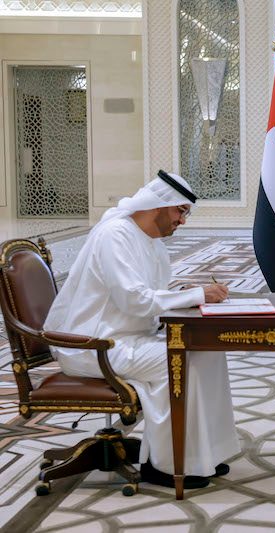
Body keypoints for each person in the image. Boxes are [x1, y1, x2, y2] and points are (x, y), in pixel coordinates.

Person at [44, 170, 240, 489]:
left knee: (205, 349)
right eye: (181, 211)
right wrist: (196, 295)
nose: (183, 221)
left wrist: (187, 293)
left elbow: (149, 293)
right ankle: (162, 466)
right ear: (159, 205)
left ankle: (200, 457)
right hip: (95, 344)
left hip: (125, 338)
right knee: (178, 360)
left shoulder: (146, 238)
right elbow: (134, 300)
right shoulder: (116, 234)